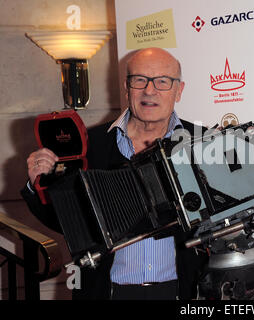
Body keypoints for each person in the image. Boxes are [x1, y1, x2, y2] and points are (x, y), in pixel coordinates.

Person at [21, 47, 208, 300]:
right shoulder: (90, 145)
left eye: (163, 81)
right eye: (139, 80)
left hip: (179, 291)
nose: (149, 91)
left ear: (179, 90)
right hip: (106, 292)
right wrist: (37, 185)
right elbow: (68, 223)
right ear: (126, 86)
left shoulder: (203, 143)